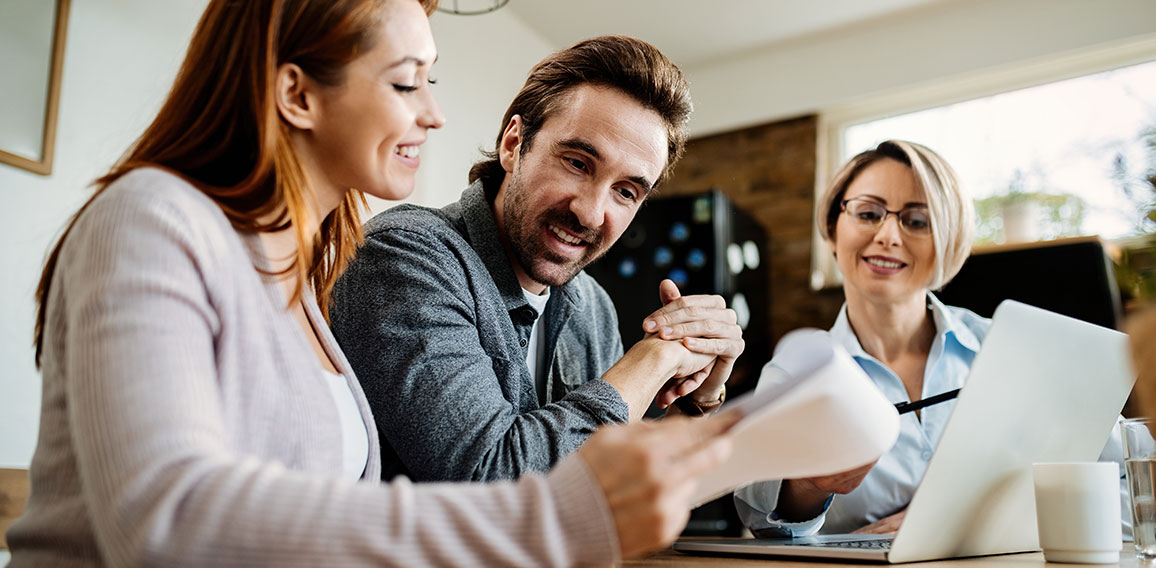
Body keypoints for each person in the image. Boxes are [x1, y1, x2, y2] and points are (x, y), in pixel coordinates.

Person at [5, 1, 740, 565]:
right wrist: (552, 510)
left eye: (431, 79)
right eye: (405, 81)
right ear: (297, 94)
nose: (435, 111)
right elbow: (162, 522)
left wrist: (698, 398)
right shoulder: (155, 219)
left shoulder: (303, 270)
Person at [329, 35, 745, 482]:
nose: (589, 211)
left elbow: (615, 491)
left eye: (625, 191)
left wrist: (697, 399)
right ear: (513, 144)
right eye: (578, 163)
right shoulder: (403, 256)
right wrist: (651, 361)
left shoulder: (593, 307)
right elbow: (493, 482)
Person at [733, 139, 1131, 537]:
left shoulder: (1019, 352)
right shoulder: (797, 371)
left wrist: (960, 519)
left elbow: (1134, 480)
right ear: (833, 230)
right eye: (869, 213)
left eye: (917, 221)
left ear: (948, 241)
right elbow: (760, 521)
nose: (888, 235)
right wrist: (809, 485)